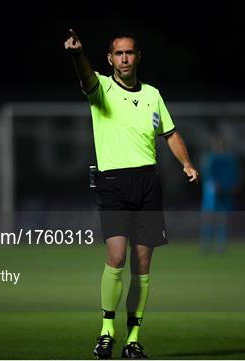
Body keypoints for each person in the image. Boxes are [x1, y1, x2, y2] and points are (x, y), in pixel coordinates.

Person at [64, 29, 199, 359]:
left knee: (142, 266)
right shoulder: (101, 88)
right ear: (110, 59)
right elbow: (85, 77)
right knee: (116, 257)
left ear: (138, 57)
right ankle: (107, 331)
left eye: (130, 53)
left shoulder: (153, 94)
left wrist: (186, 163)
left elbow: (170, 132)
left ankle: (133, 339)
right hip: (113, 184)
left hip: (147, 184)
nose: (124, 58)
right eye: (118, 54)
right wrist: (77, 55)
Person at [200, 135, 239, 254]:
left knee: (222, 220)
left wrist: (232, 185)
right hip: (212, 194)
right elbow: (207, 174)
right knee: (208, 219)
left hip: (225, 192)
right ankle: (206, 244)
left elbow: (234, 176)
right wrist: (214, 186)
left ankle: (220, 245)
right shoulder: (210, 158)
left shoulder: (230, 159)